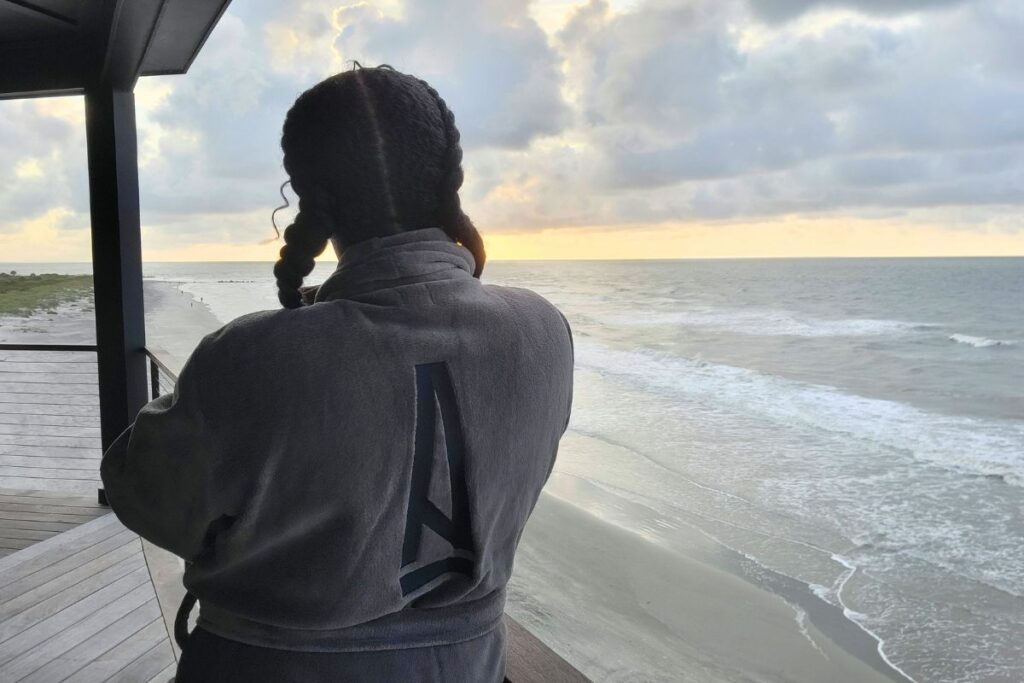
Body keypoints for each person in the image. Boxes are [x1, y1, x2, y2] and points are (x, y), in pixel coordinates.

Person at [100, 63, 575, 682]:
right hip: (466, 665)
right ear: (445, 179)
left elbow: (143, 495)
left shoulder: (251, 356)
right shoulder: (542, 333)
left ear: (310, 198)